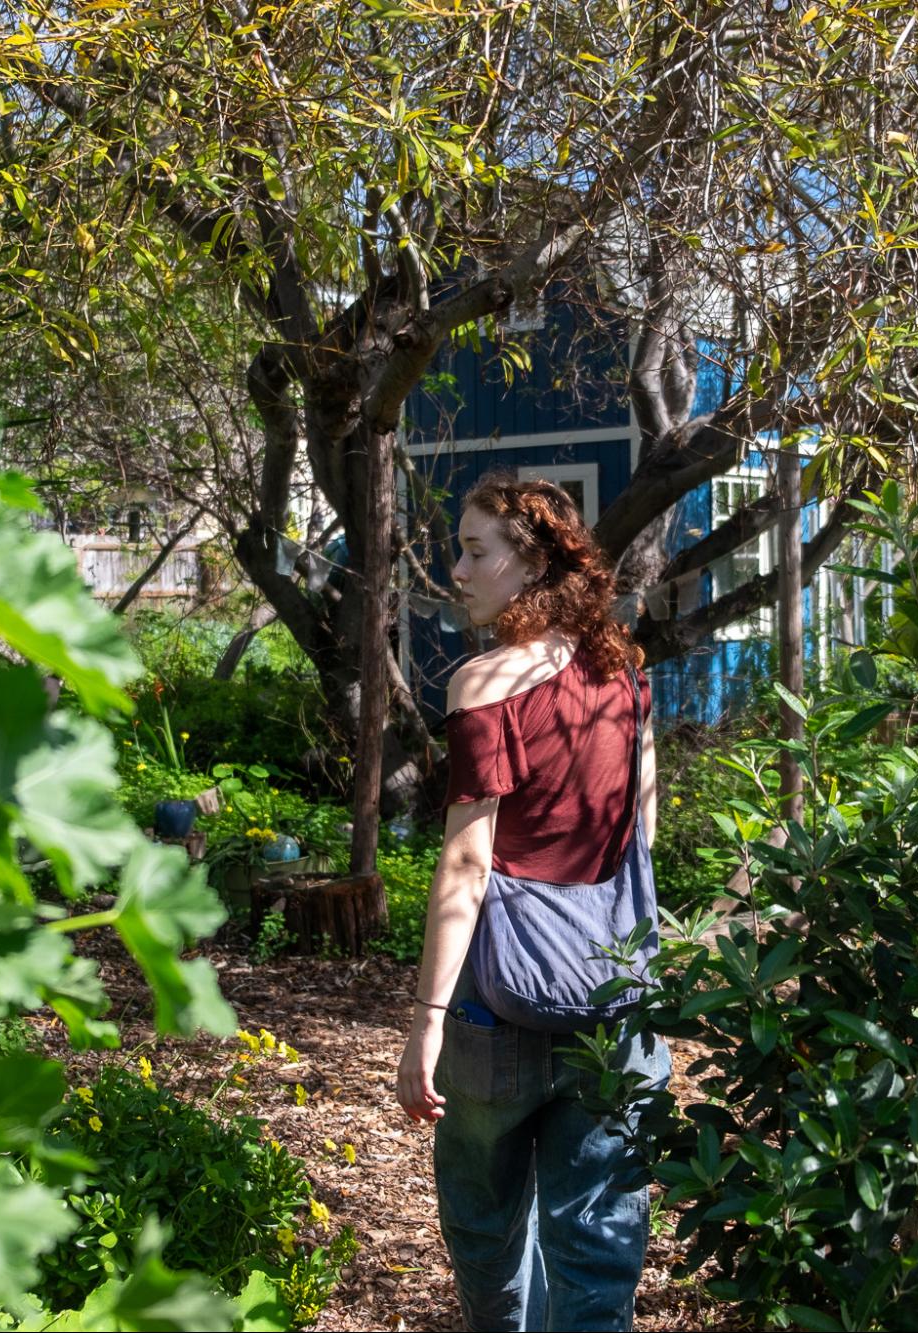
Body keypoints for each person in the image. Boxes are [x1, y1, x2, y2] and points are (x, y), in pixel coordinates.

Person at [395, 474, 670, 1332]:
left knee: (486, 1226)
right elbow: (642, 827)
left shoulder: (485, 684)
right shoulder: (626, 677)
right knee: (597, 1239)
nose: (457, 571)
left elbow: (466, 863)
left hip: (498, 1008)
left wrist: (426, 1020)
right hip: (611, 993)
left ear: (533, 563)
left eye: (474, 550)